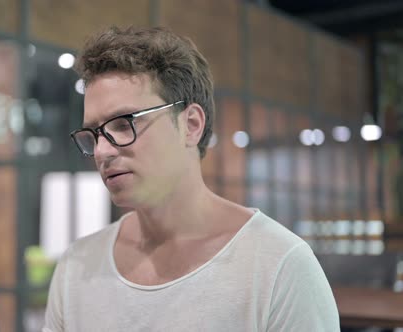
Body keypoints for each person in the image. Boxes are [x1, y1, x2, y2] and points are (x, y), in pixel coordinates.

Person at [43, 26, 339, 331]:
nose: (102, 151)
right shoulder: (78, 266)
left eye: (122, 124)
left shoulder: (278, 266)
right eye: (94, 133)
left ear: (191, 124)